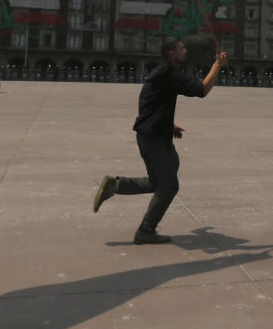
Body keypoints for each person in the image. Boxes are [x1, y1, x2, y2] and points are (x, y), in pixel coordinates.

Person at [93, 39, 228, 245]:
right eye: (182, 49)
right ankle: (145, 230)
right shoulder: (169, 73)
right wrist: (217, 65)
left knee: (157, 182)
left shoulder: (161, 73)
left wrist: (167, 124)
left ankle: (115, 185)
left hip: (149, 135)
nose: (186, 51)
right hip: (154, 139)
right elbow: (202, 90)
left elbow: (150, 102)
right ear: (172, 54)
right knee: (169, 185)